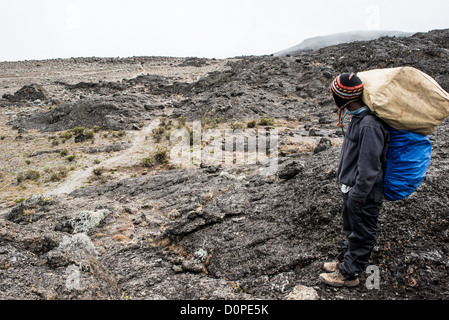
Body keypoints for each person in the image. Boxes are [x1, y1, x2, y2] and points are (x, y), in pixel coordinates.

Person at [319, 73, 390, 287]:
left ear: (342, 97)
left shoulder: (369, 125)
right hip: (352, 189)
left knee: (361, 234)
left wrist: (358, 195)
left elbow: (369, 167)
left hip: (363, 192)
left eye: (334, 94)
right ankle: (345, 262)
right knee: (351, 229)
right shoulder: (357, 120)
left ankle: (349, 275)